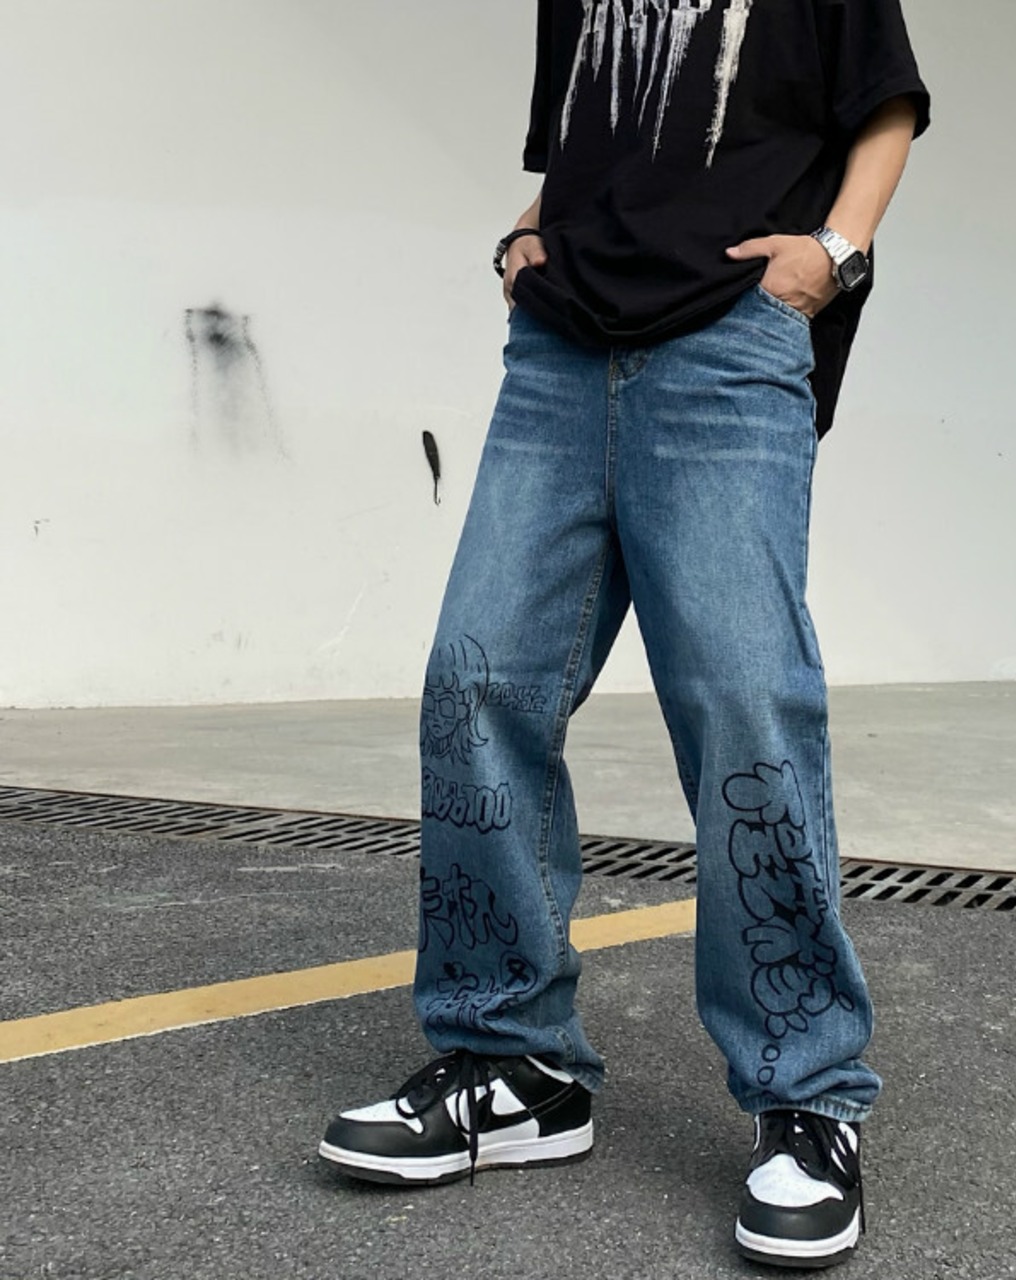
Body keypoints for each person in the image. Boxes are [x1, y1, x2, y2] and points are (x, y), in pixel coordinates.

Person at [320, 0, 929, 1267]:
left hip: (728, 345)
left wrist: (829, 254)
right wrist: (525, 237)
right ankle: (513, 1062)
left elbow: (885, 106)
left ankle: (808, 1093)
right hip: (555, 352)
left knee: (744, 700)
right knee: (477, 679)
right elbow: (576, 148)